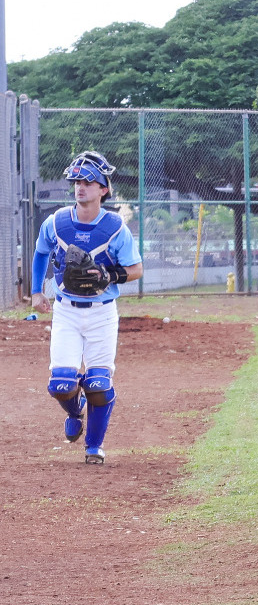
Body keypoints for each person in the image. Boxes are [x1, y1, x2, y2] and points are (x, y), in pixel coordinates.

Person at [32, 152, 143, 466]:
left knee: (98, 383)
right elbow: (41, 254)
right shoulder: (56, 222)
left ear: (103, 189)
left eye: (88, 182)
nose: (81, 187)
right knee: (61, 385)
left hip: (101, 313)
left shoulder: (115, 227)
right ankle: (73, 412)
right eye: (77, 181)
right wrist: (36, 292)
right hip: (66, 310)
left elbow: (136, 269)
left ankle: (94, 446)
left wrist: (111, 275)